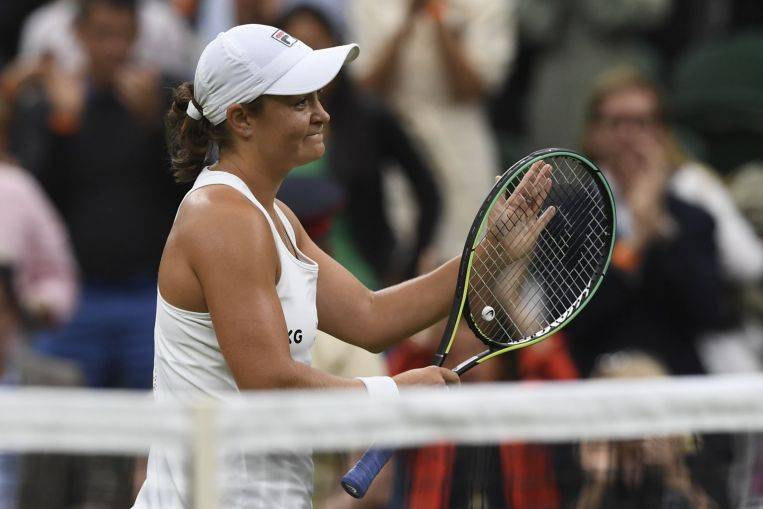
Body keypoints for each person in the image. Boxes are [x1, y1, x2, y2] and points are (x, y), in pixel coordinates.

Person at [132, 23, 554, 507]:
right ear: (242, 119)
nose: (322, 114)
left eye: (318, 99)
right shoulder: (222, 219)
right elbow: (268, 382)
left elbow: (371, 317)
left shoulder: (271, 215)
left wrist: (489, 253)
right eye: (299, 103)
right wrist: (393, 394)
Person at [9, 0, 184, 391]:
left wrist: (156, 127)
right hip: (75, 296)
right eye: (103, 35)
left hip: (148, 295)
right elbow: (29, 200)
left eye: (124, 36)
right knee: (62, 433)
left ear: (138, 36)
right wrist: (63, 123)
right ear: (79, 34)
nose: (114, 48)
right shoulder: (51, 104)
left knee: (153, 431)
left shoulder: (166, 100)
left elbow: (190, 193)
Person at [567, 67, 732, 376]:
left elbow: (709, 312)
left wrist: (661, 228)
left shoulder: (693, 218)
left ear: (661, 133)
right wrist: (636, 244)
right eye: (617, 123)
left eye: (641, 122)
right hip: (592, 382)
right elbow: (573, 321)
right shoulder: (565, 213)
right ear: (594, 133)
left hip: (678, 384)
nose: (629, 136)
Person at [279, 4, 442, 286]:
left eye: (319, 47)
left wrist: (408, 268)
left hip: (362, 278)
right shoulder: (262, 128)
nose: (319, 116)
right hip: (282, 282)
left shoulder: (370, 116)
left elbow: (429, 193)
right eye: (297, 51)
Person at [349, 0, 516, 259]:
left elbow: (474, 87)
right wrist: (408, 20)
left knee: (472, 253)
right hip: (395, 142)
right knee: (399, 256)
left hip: (461, 144)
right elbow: (366, 86)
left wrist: (437, 16)